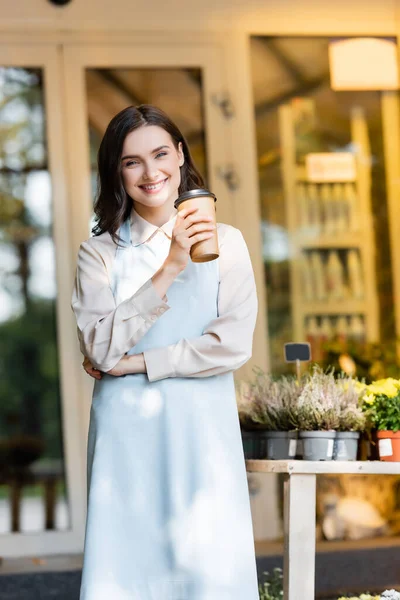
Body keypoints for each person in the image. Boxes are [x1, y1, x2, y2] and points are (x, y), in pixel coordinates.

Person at [71, 104, 259, 600]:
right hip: (126, 438)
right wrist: (172, 265)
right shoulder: (100, 253)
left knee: (211, 572)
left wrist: (136, 363)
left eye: (159, 153)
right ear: (117, 172)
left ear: (179, 155)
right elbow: (98, 345)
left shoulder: (228, 244)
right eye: (132, 161)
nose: (150, 172)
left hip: (203, 432)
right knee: (128, 574)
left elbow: (232, 345)